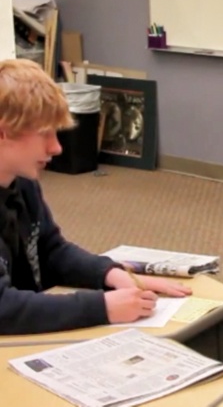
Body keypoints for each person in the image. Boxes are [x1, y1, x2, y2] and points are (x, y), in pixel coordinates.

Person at [0, 59, 191, 335]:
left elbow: (50, 251)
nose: (55, 147)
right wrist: (101, 307)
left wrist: (111, 275)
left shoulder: (22, 183)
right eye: (44, 134)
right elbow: (3, 309)